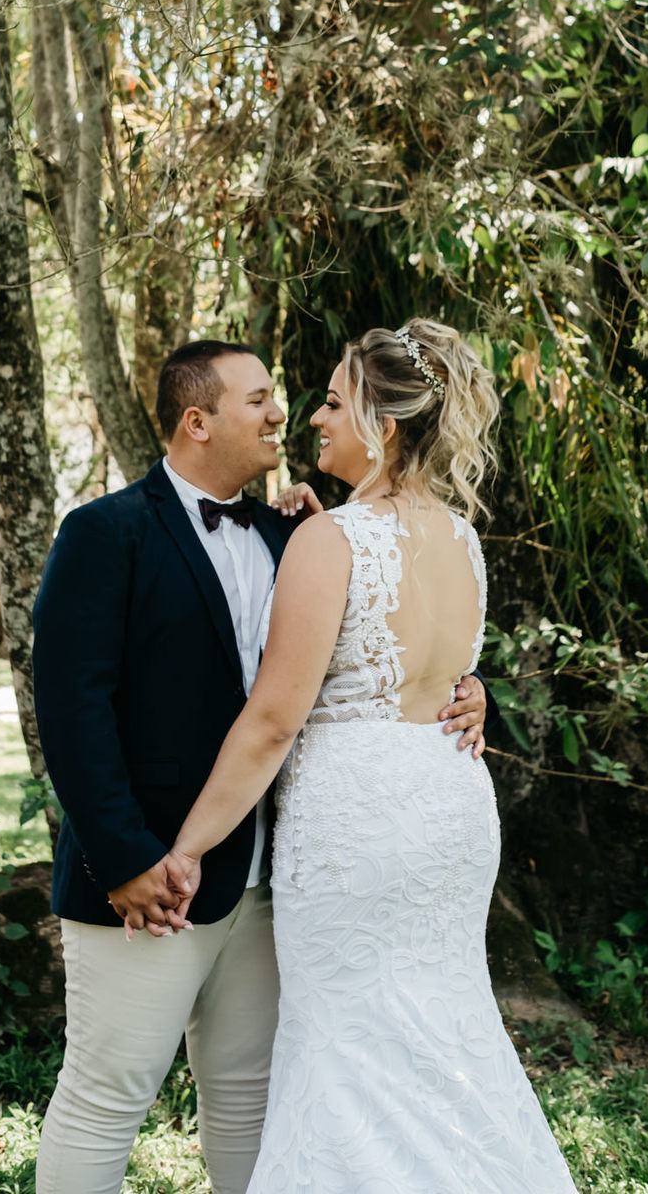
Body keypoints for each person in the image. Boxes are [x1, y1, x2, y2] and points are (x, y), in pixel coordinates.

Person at [31, 338, 490, 1194]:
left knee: (250, 1095)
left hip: (280, 875)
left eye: (288, 398)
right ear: (197, 422)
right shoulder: (104, 534)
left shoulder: (304, 533)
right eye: (259, 400)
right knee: (106, 1096)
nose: (283, 413)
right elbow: (69, 710)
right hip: (152, 878)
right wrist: (124, 859)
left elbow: (373, 654)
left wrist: (467, 690)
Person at [161, 321, 580, 1194]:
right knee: (443, 1034)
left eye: (331, 402)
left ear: (382, 427)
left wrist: (189, 846)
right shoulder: (461, 539)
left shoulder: (333, 541)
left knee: (350, 1046)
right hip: (449, 804)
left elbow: (273, 721)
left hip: (360, 825)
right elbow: (434, 669)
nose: (312, 418)